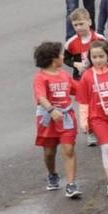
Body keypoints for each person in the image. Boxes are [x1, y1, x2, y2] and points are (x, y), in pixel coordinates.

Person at [32, 41, 82, 199]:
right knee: (49, 152)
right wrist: (51, 110)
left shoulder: (64, 75)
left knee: (68, 149)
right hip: (48, 118)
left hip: (66, 117)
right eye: (61, 55)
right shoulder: (40, 78)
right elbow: (41, 97)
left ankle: (71, 184)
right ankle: (52, 174)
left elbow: (79, 89)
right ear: (54, 60)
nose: (63, 57)